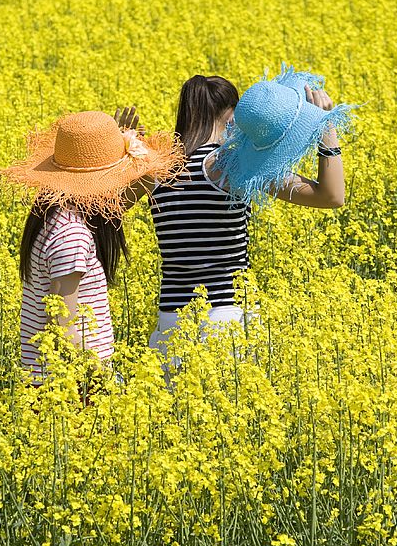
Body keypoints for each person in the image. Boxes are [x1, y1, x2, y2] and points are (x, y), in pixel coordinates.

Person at [148, 65, 357, 362]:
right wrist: (327, 126)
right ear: (231, 115)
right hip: (225, 318)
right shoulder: (231, 167)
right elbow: (332, 195)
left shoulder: (154, 172)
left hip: (170, 321)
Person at [0, 108, 182, 383]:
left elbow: (118, 205)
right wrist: (107, 382)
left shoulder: (57, 215)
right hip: (71, 389)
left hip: (63, 382)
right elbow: (63, 326)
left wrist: (120, 142)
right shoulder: (71, 235)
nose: (121, 186)